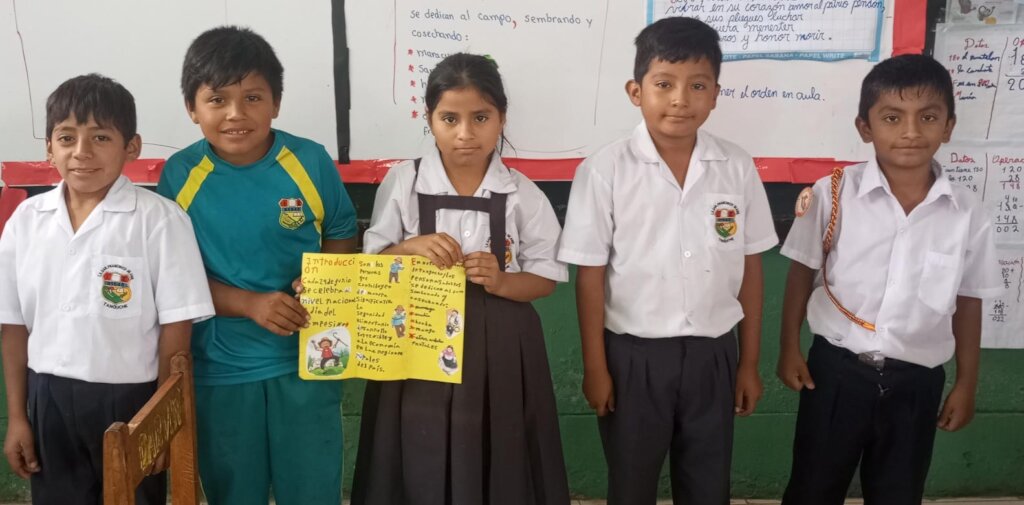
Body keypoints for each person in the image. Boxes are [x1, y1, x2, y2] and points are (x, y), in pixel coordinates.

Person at [558, 17, 778, 504]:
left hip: (714, 355)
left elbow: (751, 269)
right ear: (636, 91)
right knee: (631, 484)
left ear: (715, 94)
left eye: (697, 85)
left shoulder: (736, 167)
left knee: (707, 485)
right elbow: (590, 277)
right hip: (633, 357)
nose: (680, 99)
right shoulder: (605, 170)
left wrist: (748, 363)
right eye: (664, 84)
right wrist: (596, 367)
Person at [777, 53, 1002, 505]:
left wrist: (966, 383)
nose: (911, 131)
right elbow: (801, 273)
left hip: (917, 382)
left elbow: (969, 300)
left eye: (928, 117)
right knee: (812, 488)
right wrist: (789, 348)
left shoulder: (967, 212)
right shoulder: (833, 193)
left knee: (899, 493)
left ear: (948, 127)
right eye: (892, 118)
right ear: (865, 128)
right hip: (835, 372)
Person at [351, 53, 570, 505]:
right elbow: (372, 263)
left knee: (499, 441)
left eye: (481, 118)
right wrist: (408, 248)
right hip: (417, 338)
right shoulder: (405, 182)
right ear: (429, 118)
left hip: (503, 341)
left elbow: (546, 277)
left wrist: (503, 282)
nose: (465, 133)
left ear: (501, 117)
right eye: (449, 118)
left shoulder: (521, 192)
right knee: (417, 438)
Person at [156, 26, 358, 505]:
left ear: (276, 103)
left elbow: (342, 231)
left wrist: (323, 278)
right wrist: (249, 303)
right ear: (192, 108)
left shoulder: (309, 160)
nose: (235, 114)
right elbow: (172, 277)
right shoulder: (181, 175)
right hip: (221, 369)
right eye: (217, 99)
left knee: (312, 492)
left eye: (252, 97)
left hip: (309, 362)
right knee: (234, 493)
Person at [0, 74, 214, 505]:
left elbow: (177, 328)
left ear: (131, 147)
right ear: (49, 148)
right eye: (66, 138)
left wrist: (159, 421)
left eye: (100, 137)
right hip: (47, 398)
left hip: (131, 401)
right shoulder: (27, 220)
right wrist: (18, 416)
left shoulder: (159, 220)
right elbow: (13, 324)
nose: (82, 152)